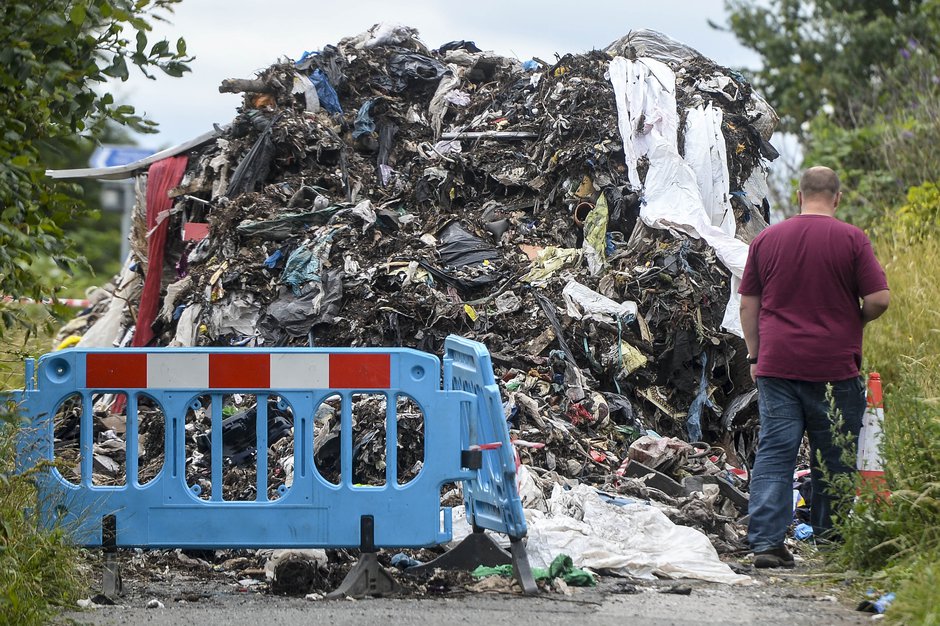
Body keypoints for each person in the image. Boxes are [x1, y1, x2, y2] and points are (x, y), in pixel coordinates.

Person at [738, 166, 890, 568]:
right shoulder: (852, 239)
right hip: (834, 368)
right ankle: (833, 544)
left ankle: (767, 544)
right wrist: (853, 321)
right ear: (836, 198)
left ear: (799, 194)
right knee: (834, 455)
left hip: (778, 366)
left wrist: (755, 356)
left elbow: (747, 305)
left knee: (775, 452)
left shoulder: (767, 239)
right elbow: (879, 299)